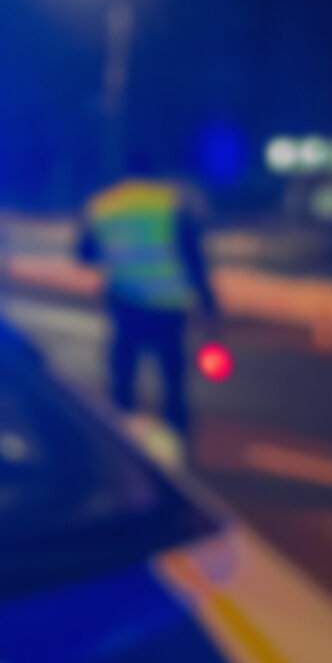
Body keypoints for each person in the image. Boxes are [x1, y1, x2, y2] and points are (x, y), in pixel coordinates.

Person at [76, 149, 219, 443]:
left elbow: (85, 252)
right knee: (173, 379)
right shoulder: (169, 202)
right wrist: (208, 301)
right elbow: (192, 255)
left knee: (123, 377)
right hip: (168, 306)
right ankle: (178, 440)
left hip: (126, 304)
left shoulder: (104, 204)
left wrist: (118, 250)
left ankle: (120, 441)